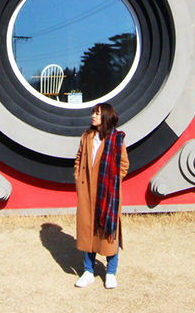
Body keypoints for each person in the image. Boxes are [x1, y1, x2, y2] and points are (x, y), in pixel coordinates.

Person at [73, 102, 128, 289]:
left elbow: (124, 164)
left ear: (105, 116)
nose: (93, 116)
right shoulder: (87, 136)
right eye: (93, 113)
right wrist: (78, 177)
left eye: (97, 113)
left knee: (109, 233)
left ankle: (111, 273)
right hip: (87, 192)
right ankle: (88, 271)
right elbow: (79, 157)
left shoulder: (117, 138)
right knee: (88, 231)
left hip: (107, 194)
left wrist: (112, 181)